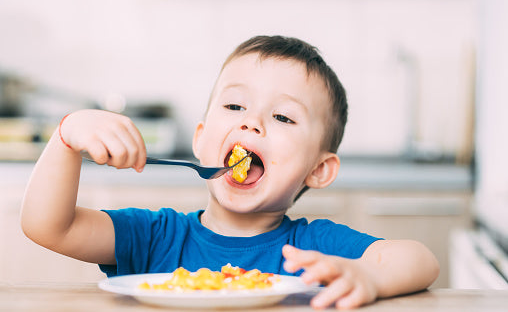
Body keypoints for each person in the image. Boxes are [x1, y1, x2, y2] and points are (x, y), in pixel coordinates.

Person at [21, 35, 439, 310]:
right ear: (201, 140)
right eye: (235, 107)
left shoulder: (313, 249)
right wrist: (65, 138)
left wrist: (369, 275)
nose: (251, 123)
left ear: (319, 170)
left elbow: (421, 260)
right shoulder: (156, 238)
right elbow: (48, 227)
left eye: (282, 116)